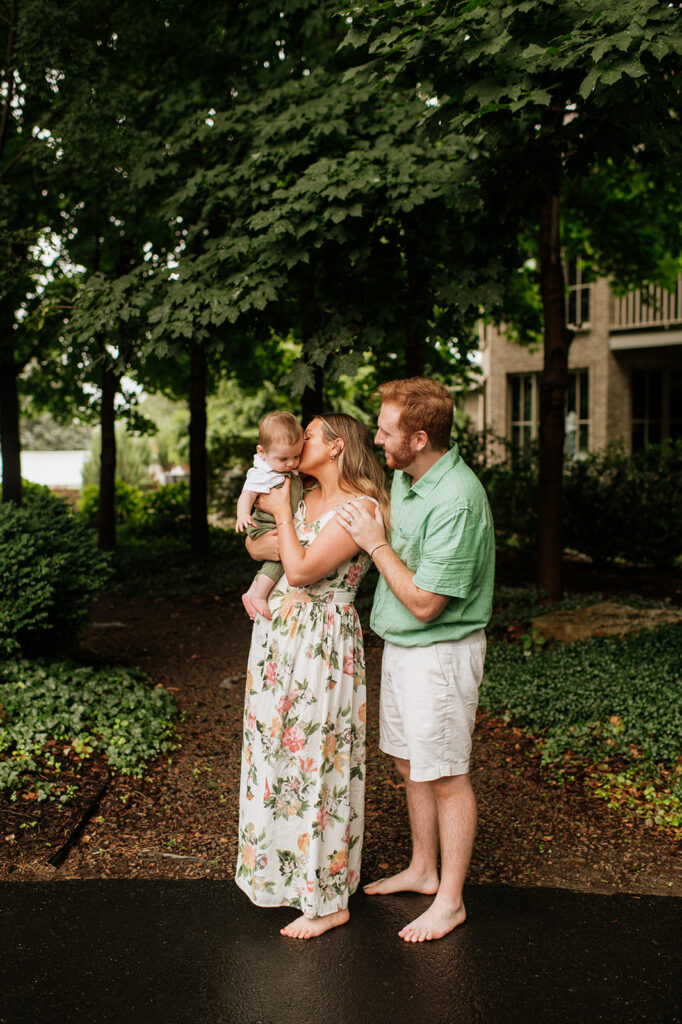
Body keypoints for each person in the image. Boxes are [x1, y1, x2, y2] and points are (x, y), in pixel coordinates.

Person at [336, 378, 495, 944]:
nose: (377, 438)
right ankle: (423, 869)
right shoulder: (408, 476)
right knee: (409, 765)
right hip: (403, 648)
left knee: (448, 775)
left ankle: (450, 902)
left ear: (419, 437)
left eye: (385, 430)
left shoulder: (457, 499)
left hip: (442, 654)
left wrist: (376, 544)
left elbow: (427, 604)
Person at [235, 413, 390, 939]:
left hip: (323, 644)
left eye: (310, 434)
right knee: (275, 756)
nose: (298, 441)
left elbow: (301, 570)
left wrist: (283, 527)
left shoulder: (360, 507)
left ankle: (327, 900)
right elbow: (259, 548)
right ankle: (284, 878)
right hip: (278, 637)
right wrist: (283, 524)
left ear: (338, 446)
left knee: (317, 760)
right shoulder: (298, 497)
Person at [235, 411, 305, 621]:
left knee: (283, 555)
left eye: (296, 456)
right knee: (284, 557)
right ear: (262, 452)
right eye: (284, 458)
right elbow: (246, 495)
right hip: (263, 524)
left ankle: (251, 592)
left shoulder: (285, 467)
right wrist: (242, 515)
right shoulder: (261, 472)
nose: (292, 463)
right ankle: (259, 595)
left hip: (278, 524)